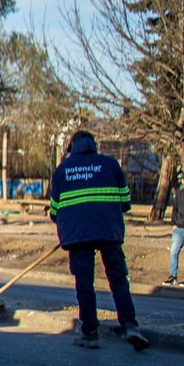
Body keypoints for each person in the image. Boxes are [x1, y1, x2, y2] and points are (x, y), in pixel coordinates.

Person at [48, 130, 148, 350]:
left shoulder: (62, 171)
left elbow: (54, 211)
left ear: (70, 148)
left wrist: (70, 220)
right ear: (93, 145)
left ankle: (90, 333)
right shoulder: (110, 165)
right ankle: (130, 325)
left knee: (84, 284)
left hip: (78, 235)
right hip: (108, 232)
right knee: (118, 280)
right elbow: (125, 203)